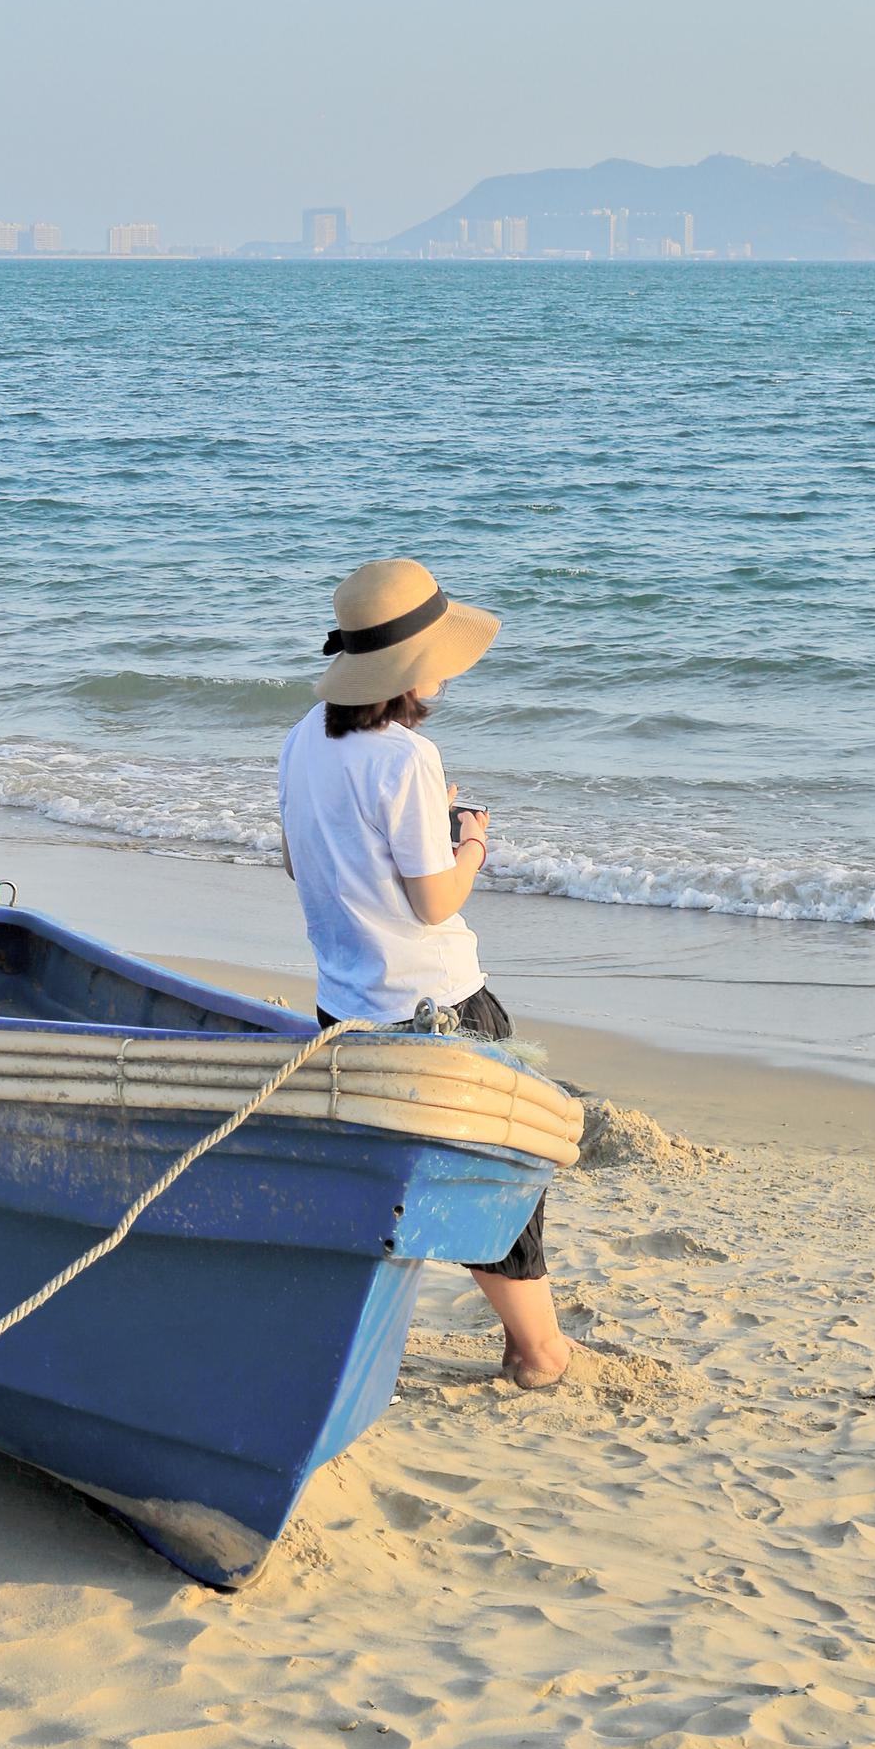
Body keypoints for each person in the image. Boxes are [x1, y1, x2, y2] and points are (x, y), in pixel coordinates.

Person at [277, 557, 572, 1391]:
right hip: (437, 1007)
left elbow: (303, 865)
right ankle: (537, 1350)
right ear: (411, 670)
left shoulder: (302, 739)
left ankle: (510, 1342)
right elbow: (436, 902)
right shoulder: (406, 758)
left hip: (344, 1008)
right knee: (503, 1172)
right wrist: (471, 838)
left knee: (397, 1183)